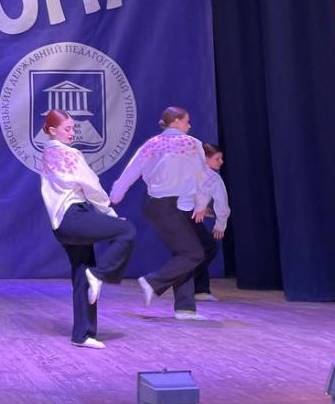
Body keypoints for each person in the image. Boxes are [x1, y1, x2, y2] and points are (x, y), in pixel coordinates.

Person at [40, 110, 136, 348]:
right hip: (74, 216)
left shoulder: (47, 153)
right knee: (126, 231)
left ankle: (82, 334)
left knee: (81, 269)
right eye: (67, 129)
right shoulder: (70, 153)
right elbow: (91, 186)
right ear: (52, 130)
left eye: (73, 128)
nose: (72, 133)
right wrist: (110, 213)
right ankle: (100, 274)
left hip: (61, 223)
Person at [109, 106, 210, 320]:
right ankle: (152, 282)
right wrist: (202, 203)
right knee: (193, 253)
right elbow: (202, 176)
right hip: (174, 205)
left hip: (154, 205)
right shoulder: (193, 144)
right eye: (186, 121)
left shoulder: (151, 145)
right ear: (176, 121)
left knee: (183, 252)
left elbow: (130, 173)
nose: (189, 126)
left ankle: (185, 308)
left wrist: (114, 198)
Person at [193, 143, 231, 301]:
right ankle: (194, 286)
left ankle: (199, 289)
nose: (221, 162)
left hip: (176, 215)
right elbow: (222, 203)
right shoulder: (213, 178)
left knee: (199, 250)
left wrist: (200, 207)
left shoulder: (188, 171)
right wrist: (220, 225)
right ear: (205, 158)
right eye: (217, 158)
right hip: (189, 217)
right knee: (208, 248)